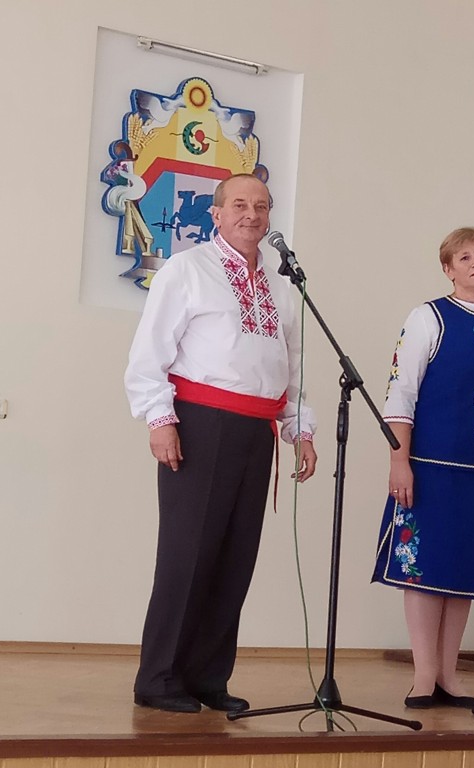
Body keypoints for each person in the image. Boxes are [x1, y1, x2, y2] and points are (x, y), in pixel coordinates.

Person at [124, 173, 317, 714]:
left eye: (261, 206)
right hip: (200, 425)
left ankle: (208, 677)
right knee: (187, 554)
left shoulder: (280, 284)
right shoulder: (187, 269)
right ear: (215, 213)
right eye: (239, 204)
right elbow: (149, 353)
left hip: (257, 430)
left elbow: (291, 365)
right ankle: (158, 677)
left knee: (235, 556)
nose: (251, 214)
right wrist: (159, 419)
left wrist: (299, 428)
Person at [372, 227, 474, 709]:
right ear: (447, 269)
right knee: (426, 567)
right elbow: (401, 393)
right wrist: (399, 463)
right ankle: (423, 675)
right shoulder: (429, 318)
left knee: (464, 570)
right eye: (464, 257)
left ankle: (449, 673)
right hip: (432, 467)